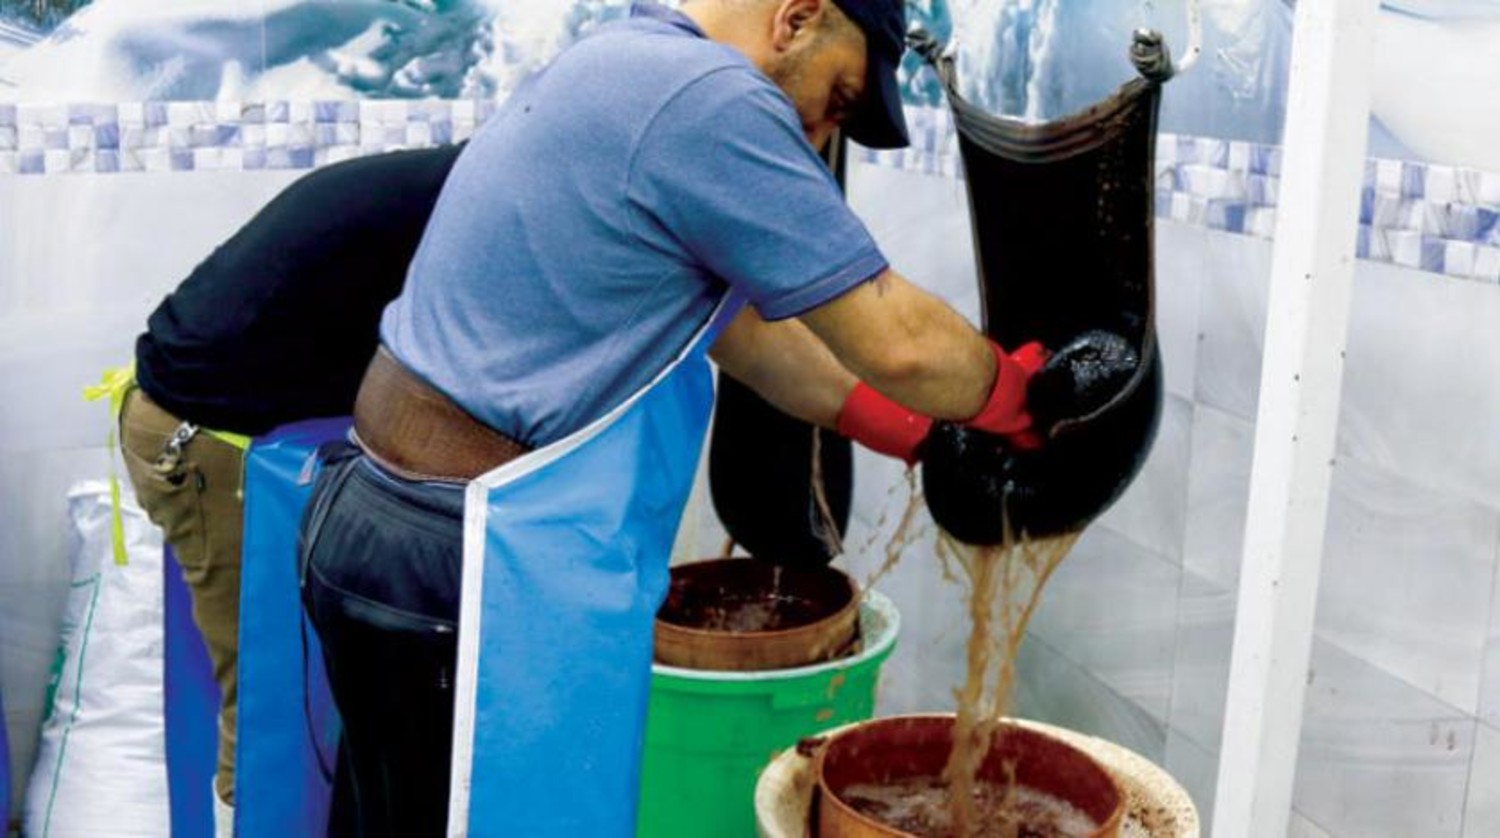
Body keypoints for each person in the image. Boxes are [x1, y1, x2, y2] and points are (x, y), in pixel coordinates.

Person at [298, 0, 1055, 834]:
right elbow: (901, 343)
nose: (817, 141)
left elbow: (753, 341)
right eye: (835, 101)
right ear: (797, 19)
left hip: (387, 524)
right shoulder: (712, 98)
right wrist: (1015, 397)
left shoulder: (625, 63)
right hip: (474, 556)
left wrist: (913, 433)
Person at [112, 143, 464, 833]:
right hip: (208, 441)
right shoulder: (474, 206)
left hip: (217, 427)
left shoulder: (446, 182)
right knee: (266, 705)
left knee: (271, 691)